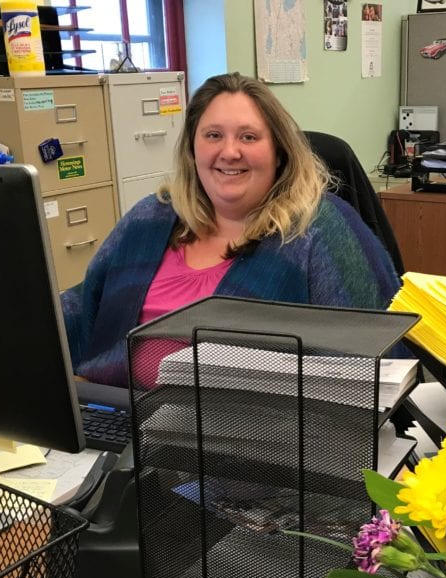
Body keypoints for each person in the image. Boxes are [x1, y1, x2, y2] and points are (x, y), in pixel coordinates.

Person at [60, 72, 401, 387]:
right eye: (213, 135)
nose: (230, 152)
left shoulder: (319, 229)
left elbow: (373, 359)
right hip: (120, 412)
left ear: (279, 152)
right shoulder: (149, 219)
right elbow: (86, 301)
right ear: (193, 149)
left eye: (249, 137)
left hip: (251, 435)